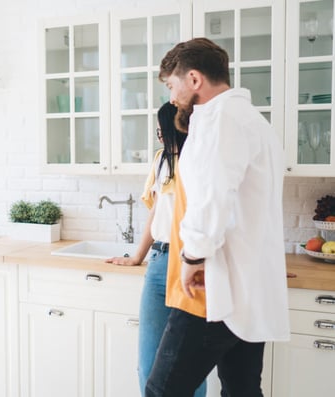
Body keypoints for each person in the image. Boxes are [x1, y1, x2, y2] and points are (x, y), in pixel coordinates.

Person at [145, 38, 290, 397]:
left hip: (212, 287)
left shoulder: (219, 120)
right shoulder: (254, 122)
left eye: (171, 84)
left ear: (194, 79)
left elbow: (212, 198)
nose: (172, 95)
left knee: (162, 391)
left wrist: (192, 257)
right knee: (241, 390)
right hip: (247, 286)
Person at [105, 102, 205, 397]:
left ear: (184, 128)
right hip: (160, 263)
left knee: (191, 367)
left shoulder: (200, 161)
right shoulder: (162, 160)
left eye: (165, 132)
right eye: (159, 133)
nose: (161, 139)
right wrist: (138, 256)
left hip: (192, 264)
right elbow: (157, 211)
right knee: (148, 365)